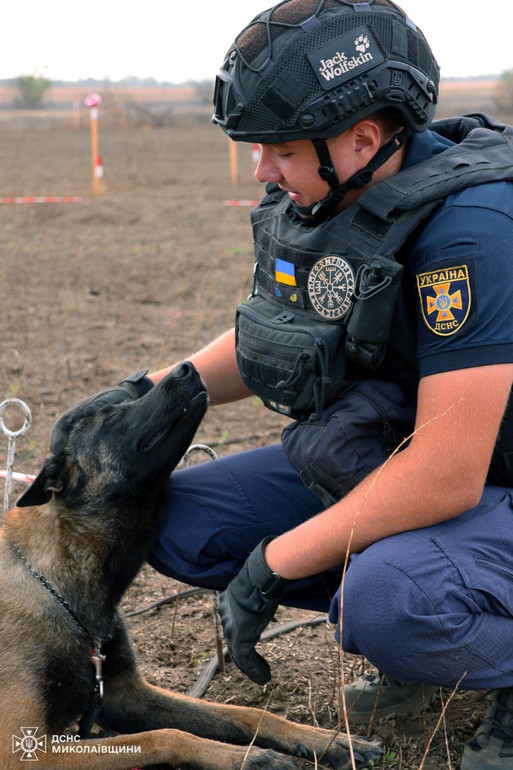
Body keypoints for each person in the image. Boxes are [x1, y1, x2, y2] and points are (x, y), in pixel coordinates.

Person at [50, 1, 513, 767]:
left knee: (390, 601)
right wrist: (148, 390)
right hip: (428, 464)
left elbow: (446, 474)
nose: (262, 171)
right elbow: (279, 338)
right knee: (174, 517)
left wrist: (277, 562)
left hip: (474, 476)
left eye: (278, 152)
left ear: (363, 139)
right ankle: (422, 625)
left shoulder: (471, 229)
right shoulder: (347, 197)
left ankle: (458, 640)